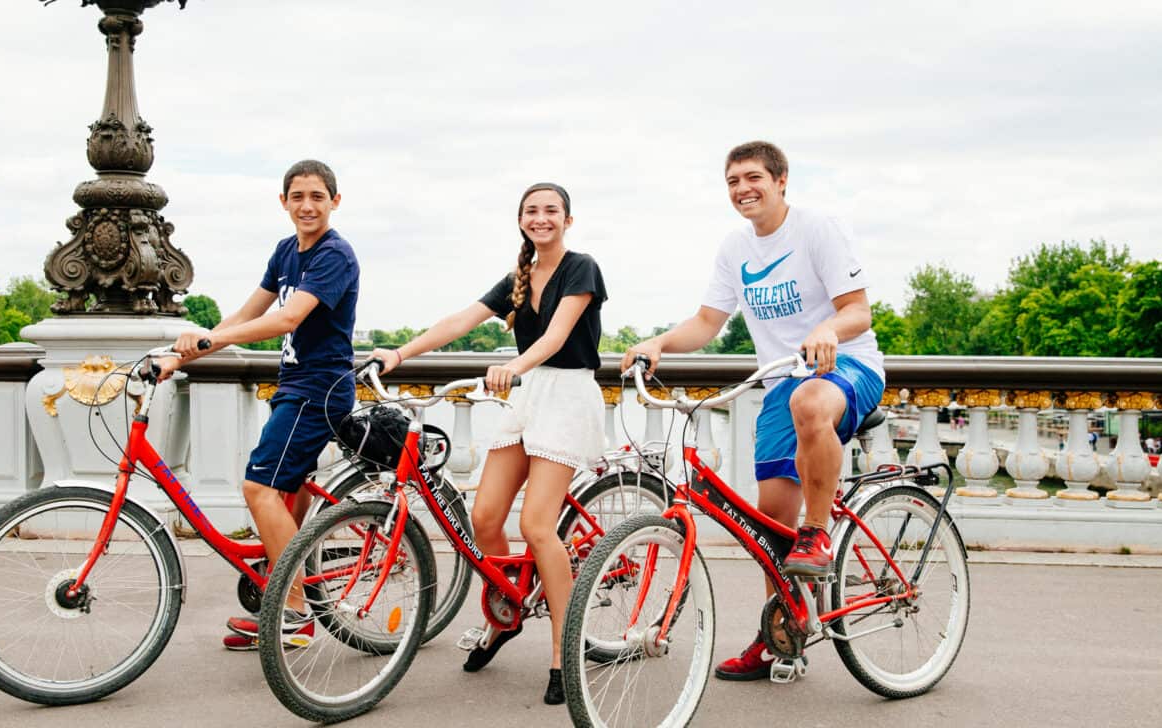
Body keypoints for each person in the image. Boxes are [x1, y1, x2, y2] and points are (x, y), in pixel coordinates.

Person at [623, 141, 885, 682]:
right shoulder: (735, 247)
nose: (743, 189)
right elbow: (706, 322)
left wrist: (826, 330)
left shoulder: (818, 228)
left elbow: (857, 310)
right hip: (779, 383)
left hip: (847, 367)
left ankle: (819, 530)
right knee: (769, 529)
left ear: (782, 179)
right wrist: (660, 343)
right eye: (733, 181)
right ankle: (781, 637)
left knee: (809, 401)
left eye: (753, 177)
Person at [372, 182, 606, 706]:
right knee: (484, 519)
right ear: (520, 219)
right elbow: (462, 320)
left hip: (565, 395)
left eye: (551, 211)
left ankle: (563, 653)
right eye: (531, 211)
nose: (541, 218)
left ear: (568, 219)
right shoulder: (518, 278)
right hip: (526, 398)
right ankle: (506, 614)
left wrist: (512, 366)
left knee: (537, 526)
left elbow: (557, 337)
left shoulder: (581, 267)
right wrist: (399, 354)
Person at [154, 159, 360, 650]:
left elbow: (287, 319)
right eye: (297, 197)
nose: (306, 205)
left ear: (334, 201)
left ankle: (292, 614)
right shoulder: (286, 251)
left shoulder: (336, 254)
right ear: (284, 203)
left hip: (319, 389)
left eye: (316, 196)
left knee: (258, 487)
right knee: (284, 492)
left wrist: (204, 344)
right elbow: (249, 313)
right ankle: (285, 584)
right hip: (294, 385)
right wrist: (186, 352)